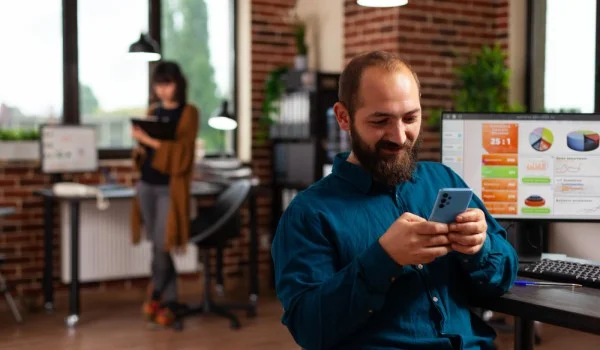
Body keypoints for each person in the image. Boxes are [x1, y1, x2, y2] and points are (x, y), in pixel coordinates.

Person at [271, 50, 519, 350]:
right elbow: (310, 328)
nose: (400, 136)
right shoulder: (308, 214)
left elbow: (505, 274)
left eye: (410, 118)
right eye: (380, 121)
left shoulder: (443, 180)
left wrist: (481, 248)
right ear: (343, 117)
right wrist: (384, 258)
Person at [130, 61, 199, 327]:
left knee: (163, 244)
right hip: (146, 185)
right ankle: (169, 302)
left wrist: (149, 141)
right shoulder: (153, 111)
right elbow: (145, 153)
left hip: (169, 187)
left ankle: (155, 293)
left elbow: (182, 155)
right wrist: (141, 142)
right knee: (157, 246)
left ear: (178, 84)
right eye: (159, 84)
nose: (163, 90)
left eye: (167, 84)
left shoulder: (188, 112)